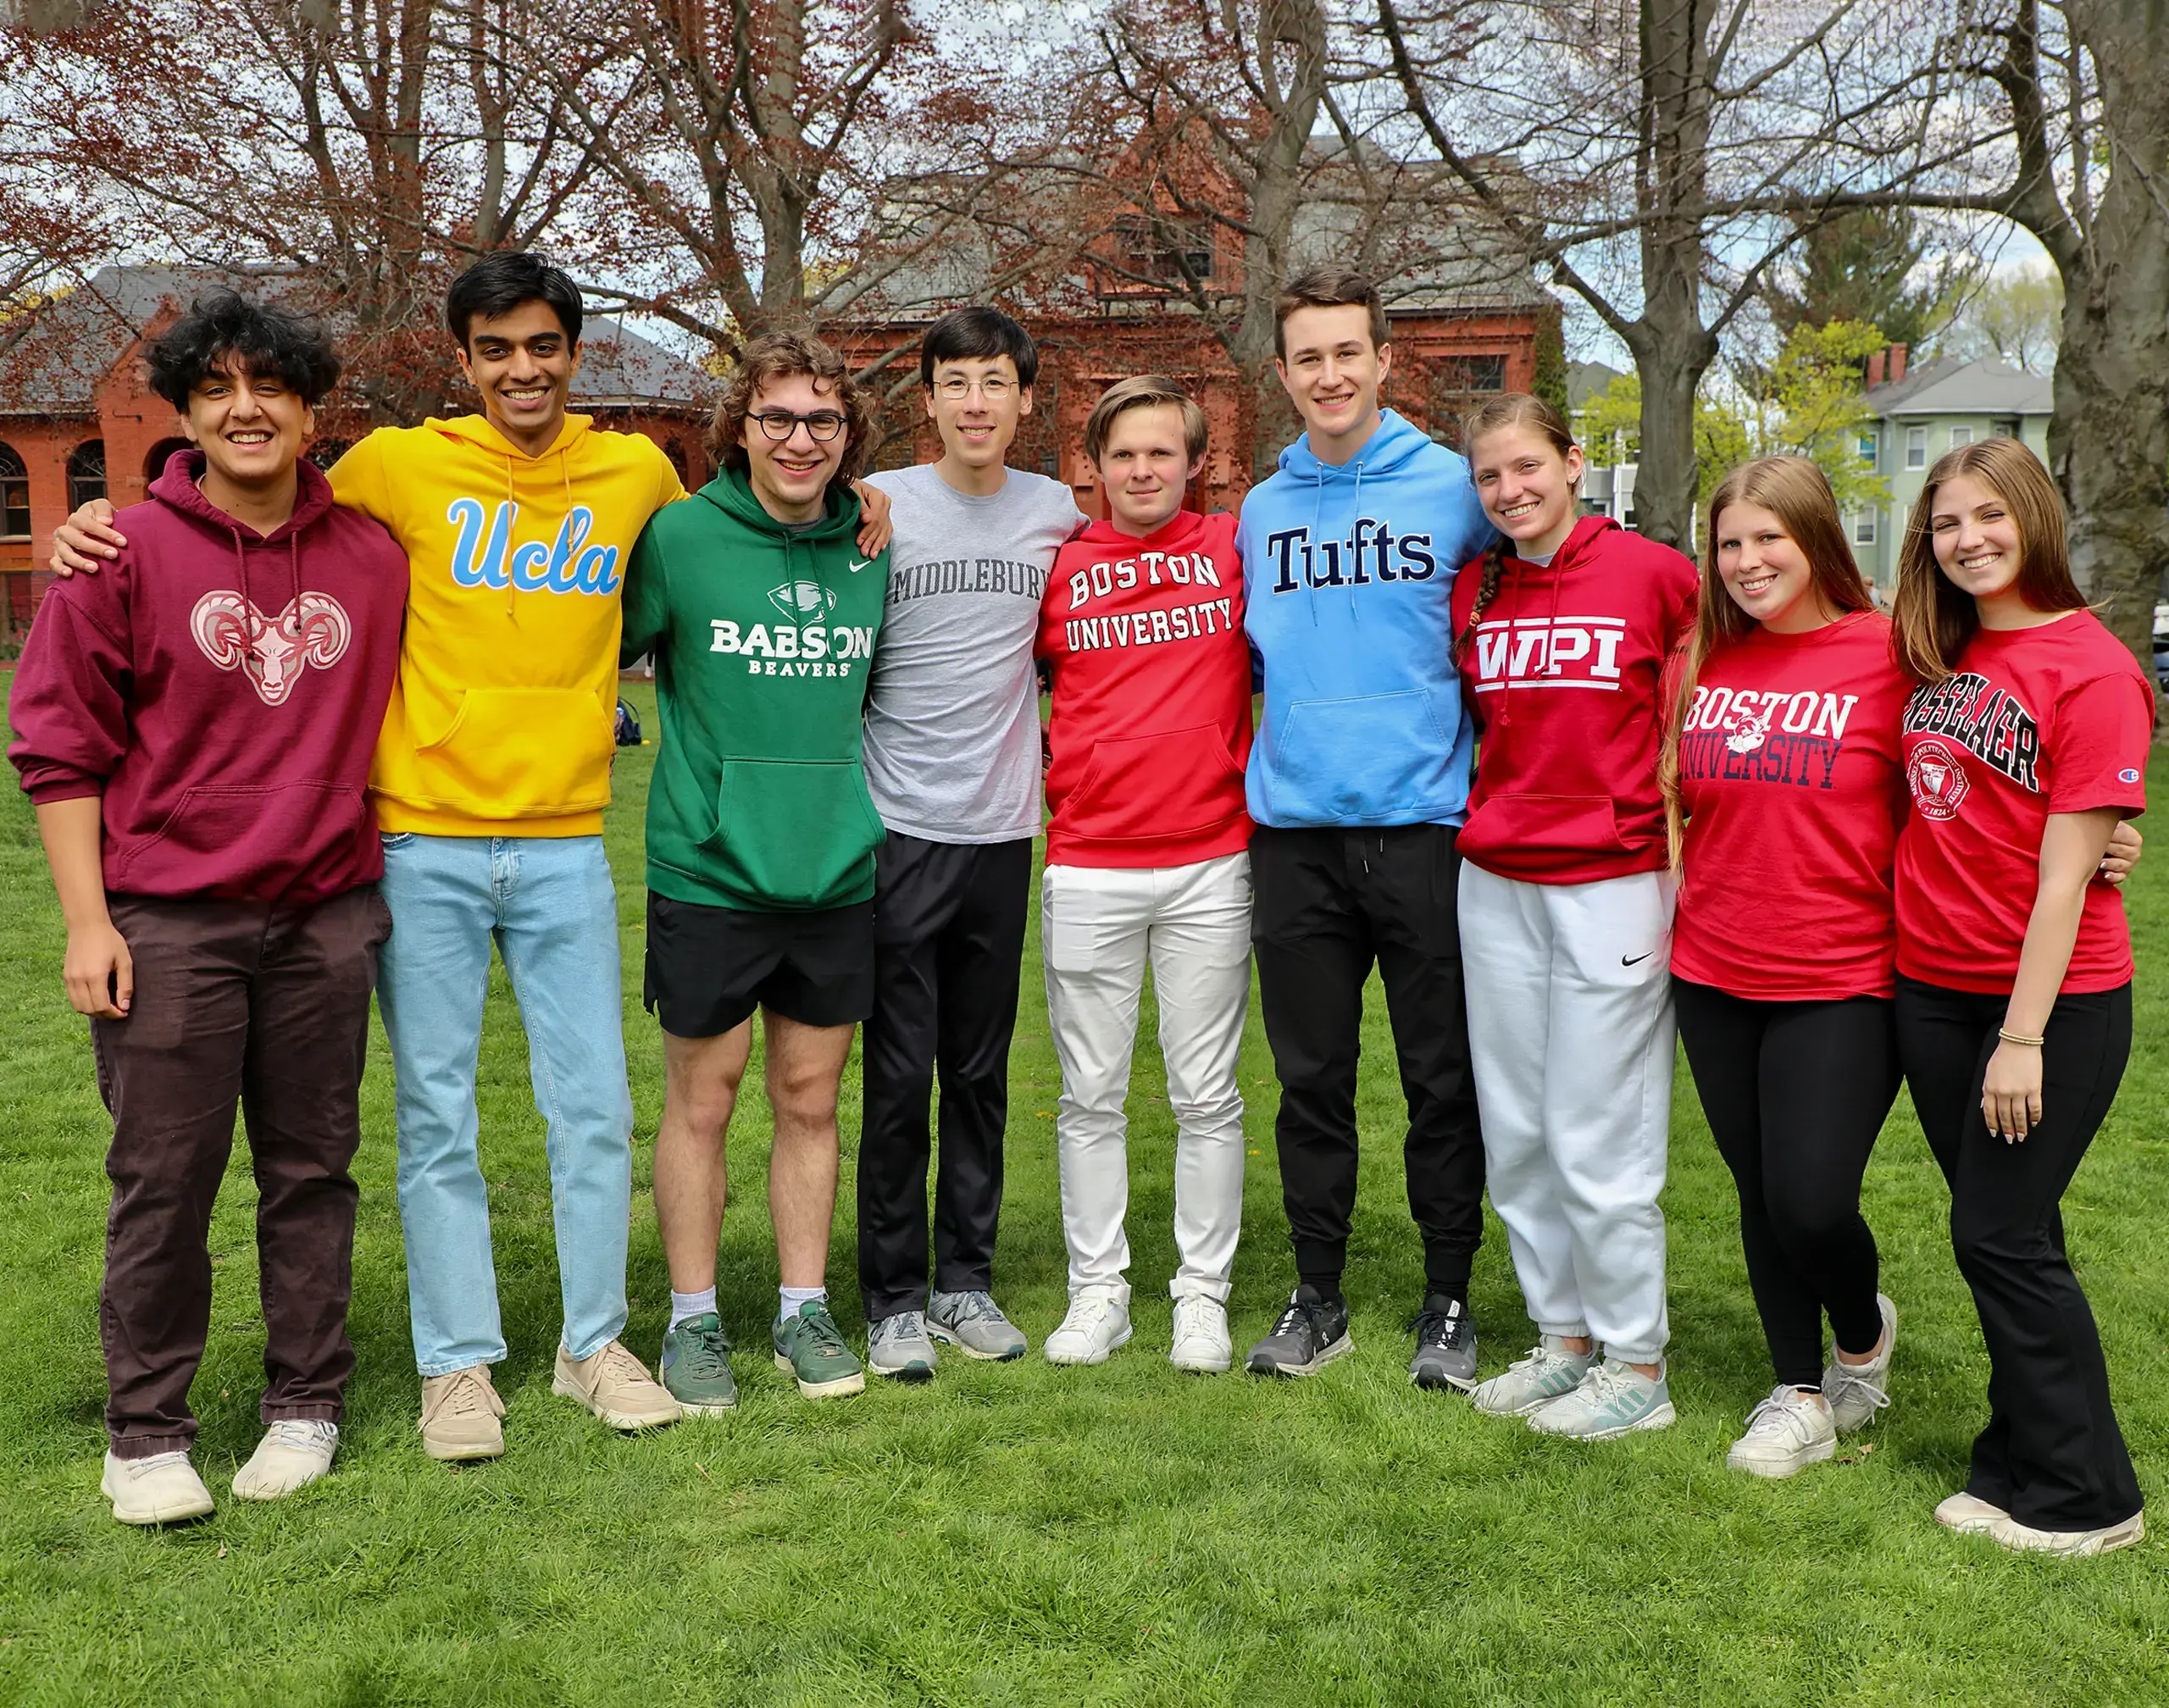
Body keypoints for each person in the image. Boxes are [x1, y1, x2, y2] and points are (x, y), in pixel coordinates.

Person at [9, 294, 405, 1522]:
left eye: (273, 387)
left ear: (308, 408)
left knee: (310, 1173)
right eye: (220, 388)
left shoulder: (371, 556)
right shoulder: (119, 554)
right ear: (183, 410)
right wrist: (89, 922)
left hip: (326, 916)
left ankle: (306, 1405)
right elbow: (59, 751)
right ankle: (147, 1434)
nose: (248, 409)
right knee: (164, 1180)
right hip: (170, 922)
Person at [1890, 437, 2151, 1556]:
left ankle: (2092, 1500)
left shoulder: (2090, 668)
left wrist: (2023, 1036)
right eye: (1948, 523)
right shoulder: (1943, 651)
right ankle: (2014, 1459)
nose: (1970, 540)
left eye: (1990, 516)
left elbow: (2063, 883)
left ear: (2035, 516)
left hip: (2046, 1005)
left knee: (1999, 1237)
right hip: (1932, 987)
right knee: (2008, 1229)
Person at [1237, 267, 1495, 1385]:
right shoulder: (1262, 508)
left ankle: (1449, 1300)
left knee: (1444, 1078)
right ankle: (1318, 1298)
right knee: (1312, 1084)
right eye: (1309, 357)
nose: (1331, 374)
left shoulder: (1454, 489)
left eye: (1350, 352)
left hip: (1429, 829)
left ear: (1386, 361)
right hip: (1295, 838)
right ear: (1284, 374)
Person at [624, 331, 889, 1409]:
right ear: (740, 426)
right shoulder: (680, 539)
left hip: (832, 867)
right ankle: (692, 1323)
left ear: (846, 440)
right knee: (705, 1095)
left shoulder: (873, 545)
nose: (799, 439)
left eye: (822, 421)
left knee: (809, 1096)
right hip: (709, 864)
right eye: (777, 416)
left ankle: (802, 1310)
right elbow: (587, 643)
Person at [1450, 393, 1698, 1439]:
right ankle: (1564, 1340)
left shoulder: (1653, 574)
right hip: (1497, 879)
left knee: (1599, 1128)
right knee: (1515, 1130)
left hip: (1614, 880)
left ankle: (1637, 1363)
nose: (1511, 491)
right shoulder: (1475, 586)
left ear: (1572, 460)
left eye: (1526, 468)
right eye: (1490, 478)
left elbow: (1708, 709)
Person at [1661, 457, 1911, 1476]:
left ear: (1817, 541)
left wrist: (2103, 838)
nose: (1748, 560)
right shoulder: (1699, 660)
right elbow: (1672, 799)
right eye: (1729, 543)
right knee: (1758, 1193)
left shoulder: (1895, 653)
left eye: (1769, 538)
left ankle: (1860, 1332)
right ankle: (1798, 1390)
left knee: (1810, 1198)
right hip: (1714, 968)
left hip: (1846, 975)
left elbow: (1980, 776)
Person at [852, 308, 1085, 1379]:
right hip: (900, 827)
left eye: (996, 383)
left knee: (980, 1071)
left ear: (1026, 400)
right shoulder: (883, 503)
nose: (977, 403)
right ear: (930, 399)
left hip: (1003, 831)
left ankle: (964, 1280)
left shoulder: (1054, 512)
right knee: (900, 1073)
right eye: (956, 384)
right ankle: (893, 1297)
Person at [1033, 376, 1253, 1372]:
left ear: (1195, 464)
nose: (1142, 470)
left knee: (1206, 1093)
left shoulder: (1231, 552)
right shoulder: (1059, 568)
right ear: (1093, 467)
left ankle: (1200, 1295)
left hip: (1210, 855)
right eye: (1124, 455)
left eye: (1162, 453)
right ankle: (1098, 1294)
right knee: (1091, 1095)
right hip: (1089, 861)